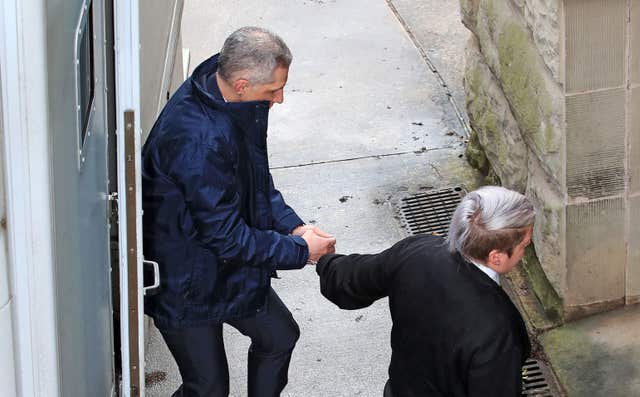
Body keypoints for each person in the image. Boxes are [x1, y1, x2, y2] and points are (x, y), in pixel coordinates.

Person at [142, 26, 336, 397]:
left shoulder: (229, 97)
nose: (279, 99)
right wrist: (300, 251)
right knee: (208, 388)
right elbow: (226, 237)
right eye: (273, 90)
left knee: (279, 337)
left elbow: (254, 182)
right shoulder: (197, 140)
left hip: (222, 267)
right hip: (185, 280)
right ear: (243, 83)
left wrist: (293, 227)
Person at [316, 186, 533, 396]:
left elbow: (352, 279)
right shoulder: (497, 329)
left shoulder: (418, 251)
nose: (524, 252)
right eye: (524, 245)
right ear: (496, 257)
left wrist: (323, 259)